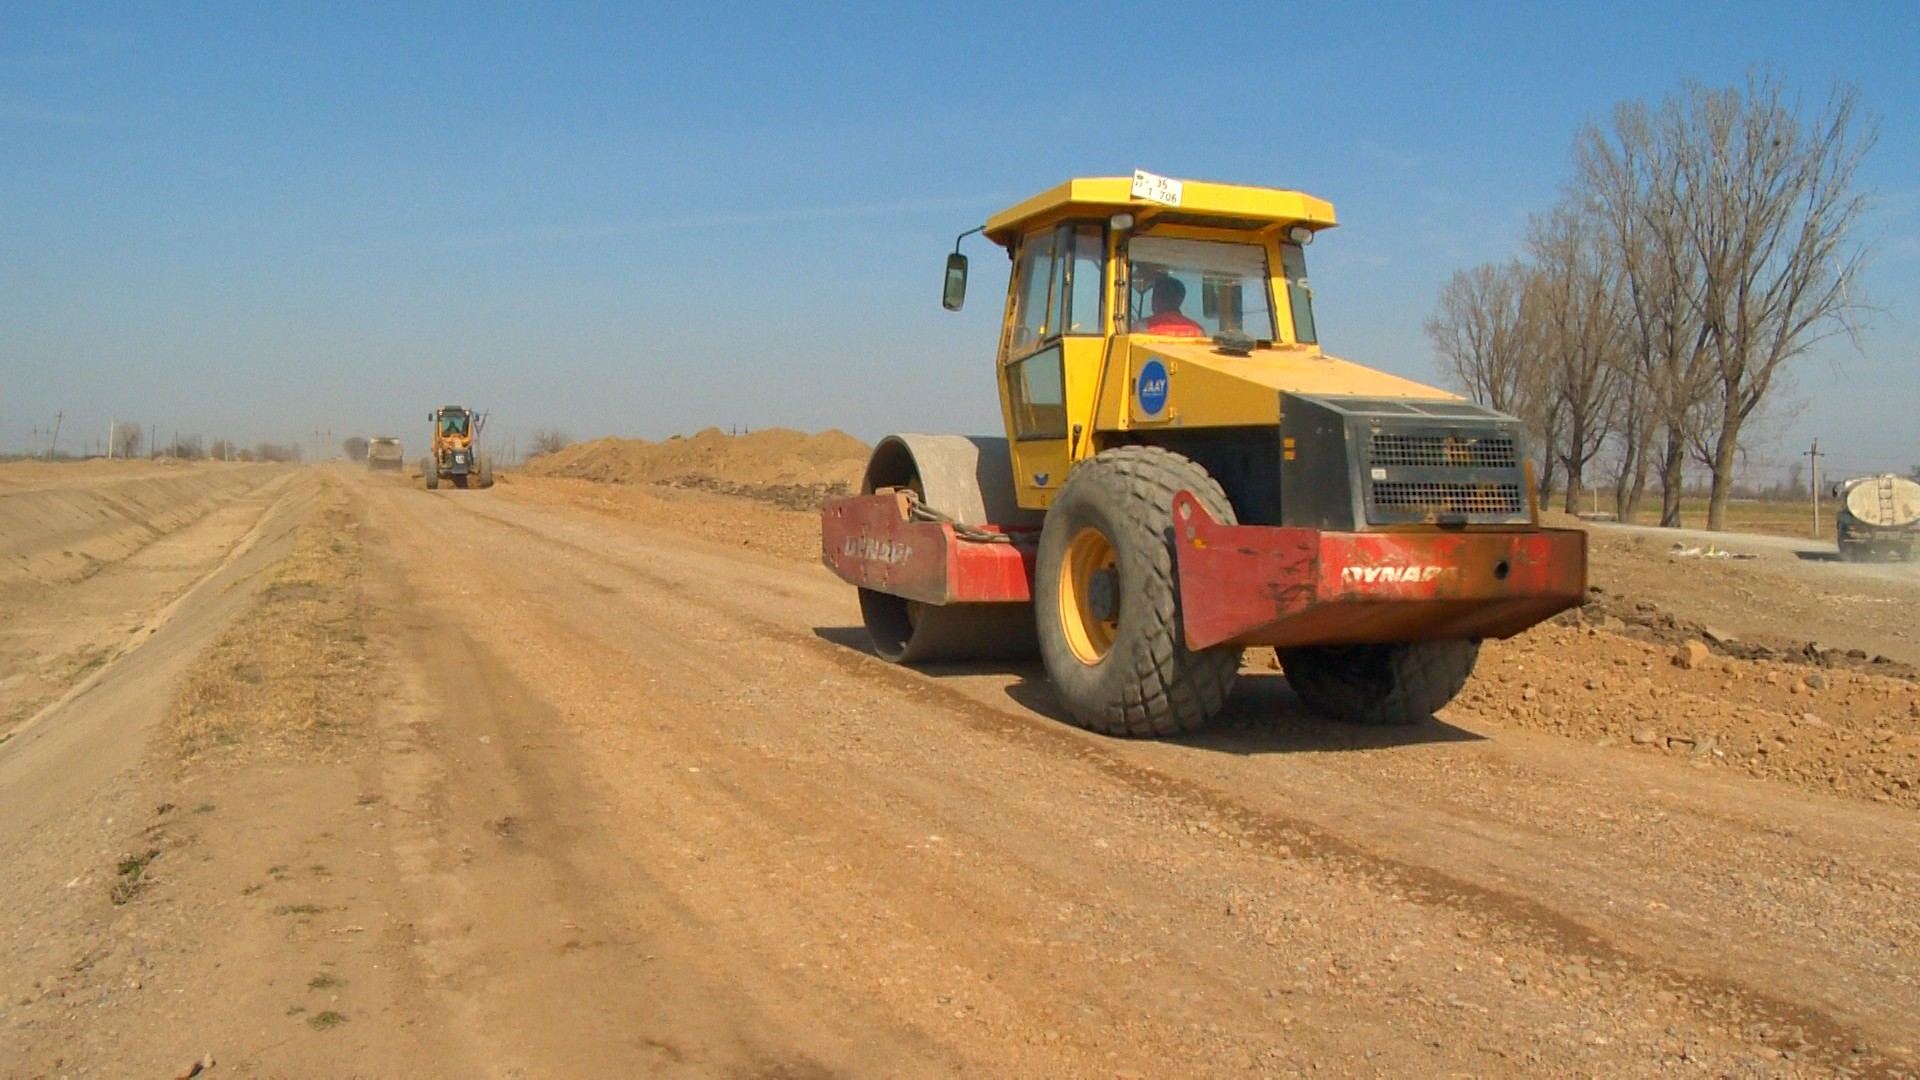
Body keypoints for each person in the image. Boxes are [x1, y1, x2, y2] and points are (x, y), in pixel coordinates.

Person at [1137, 276, 1207, 337]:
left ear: (1156, 297)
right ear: (1180, 301)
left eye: (1155, 295)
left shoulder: (1142, 327)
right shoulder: (1198, 331)